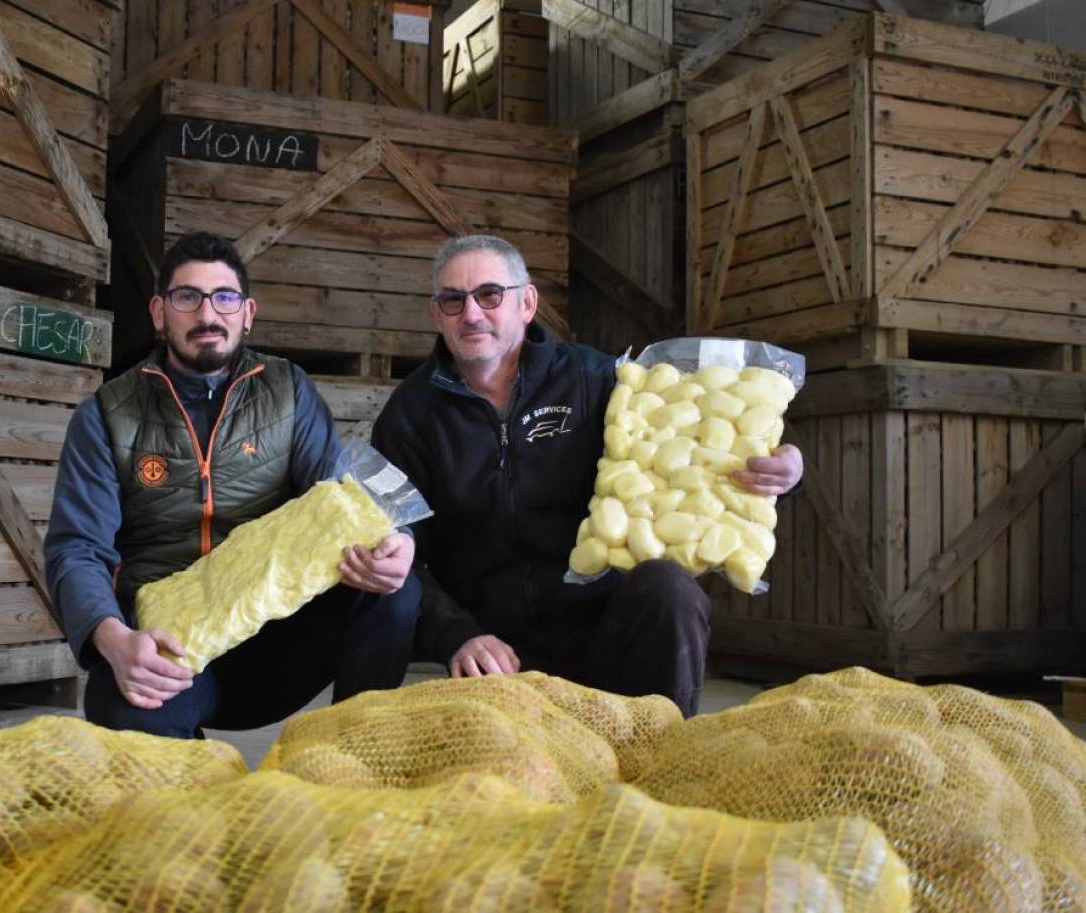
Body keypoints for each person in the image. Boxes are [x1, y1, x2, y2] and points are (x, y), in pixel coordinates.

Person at [372, 235, 803, 717]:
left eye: (490, 295)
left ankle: (666, 747)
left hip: (605, 632)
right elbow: (396, 545)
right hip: (496, 657)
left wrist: (780, 474)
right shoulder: (410, 414)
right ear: (437, 314)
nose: (472, 314)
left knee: (670, 588)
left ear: (527, 302)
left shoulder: (596, 380)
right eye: (454, 300)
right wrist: (457, 635)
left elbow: (691, 467)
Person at [45, 232, 419, 738]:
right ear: (159, 312)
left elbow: (339, 499)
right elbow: (77, 550)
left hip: (278, 639)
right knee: (120, 713)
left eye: (224, 298)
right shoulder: (106, 415)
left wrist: (396, 544)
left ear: (247, 312)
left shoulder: (287, 390)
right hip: (175, 648)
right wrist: (113, 640)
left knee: (394, 591)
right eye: (187, 298)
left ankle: (352, 752)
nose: (207, 315)